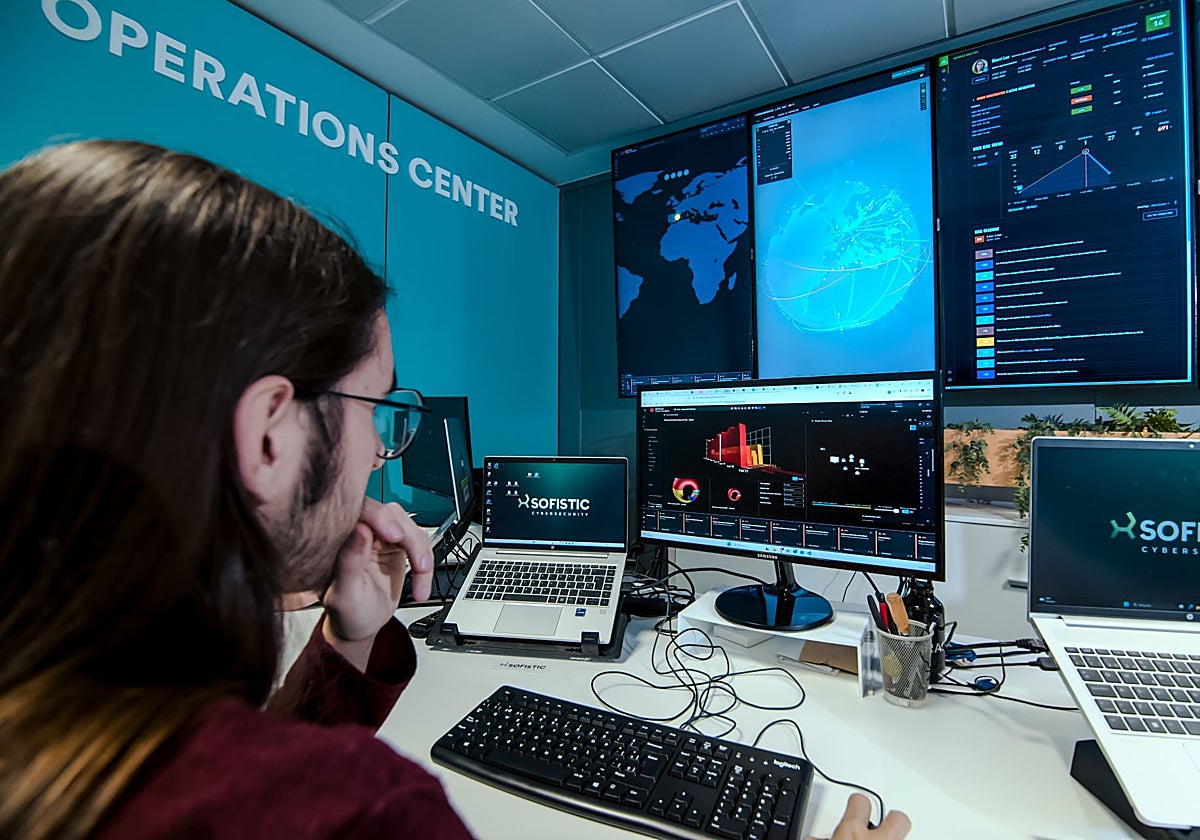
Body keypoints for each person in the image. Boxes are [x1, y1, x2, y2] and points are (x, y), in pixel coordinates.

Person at [0, 139, 907, 840]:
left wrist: (350, 642)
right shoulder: (370, 812)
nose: (379, 456)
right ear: (269, 433)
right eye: (372, 408)